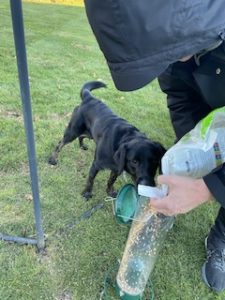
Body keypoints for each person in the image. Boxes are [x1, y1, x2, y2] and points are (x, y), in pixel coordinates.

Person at [83, 0, 225, 293]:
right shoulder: (171, 54)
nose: (169, 63)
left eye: (168, 53)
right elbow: (180, 96)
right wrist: (193, 156)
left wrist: (208, 187)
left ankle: (221, 238)